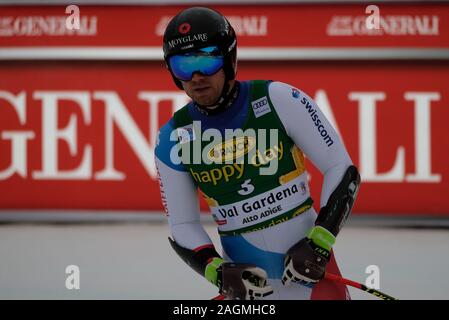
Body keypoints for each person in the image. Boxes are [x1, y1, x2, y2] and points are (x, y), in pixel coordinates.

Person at [155, 6, 360, 300]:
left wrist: (319, 243)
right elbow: (183, 225)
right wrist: (218, 272)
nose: (197, 75)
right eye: (183, 66)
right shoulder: (172, 137)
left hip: (312, 277)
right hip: (248, 291)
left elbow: (341, 168)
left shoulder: (278, 98)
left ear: (229, 58)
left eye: (207, 60)